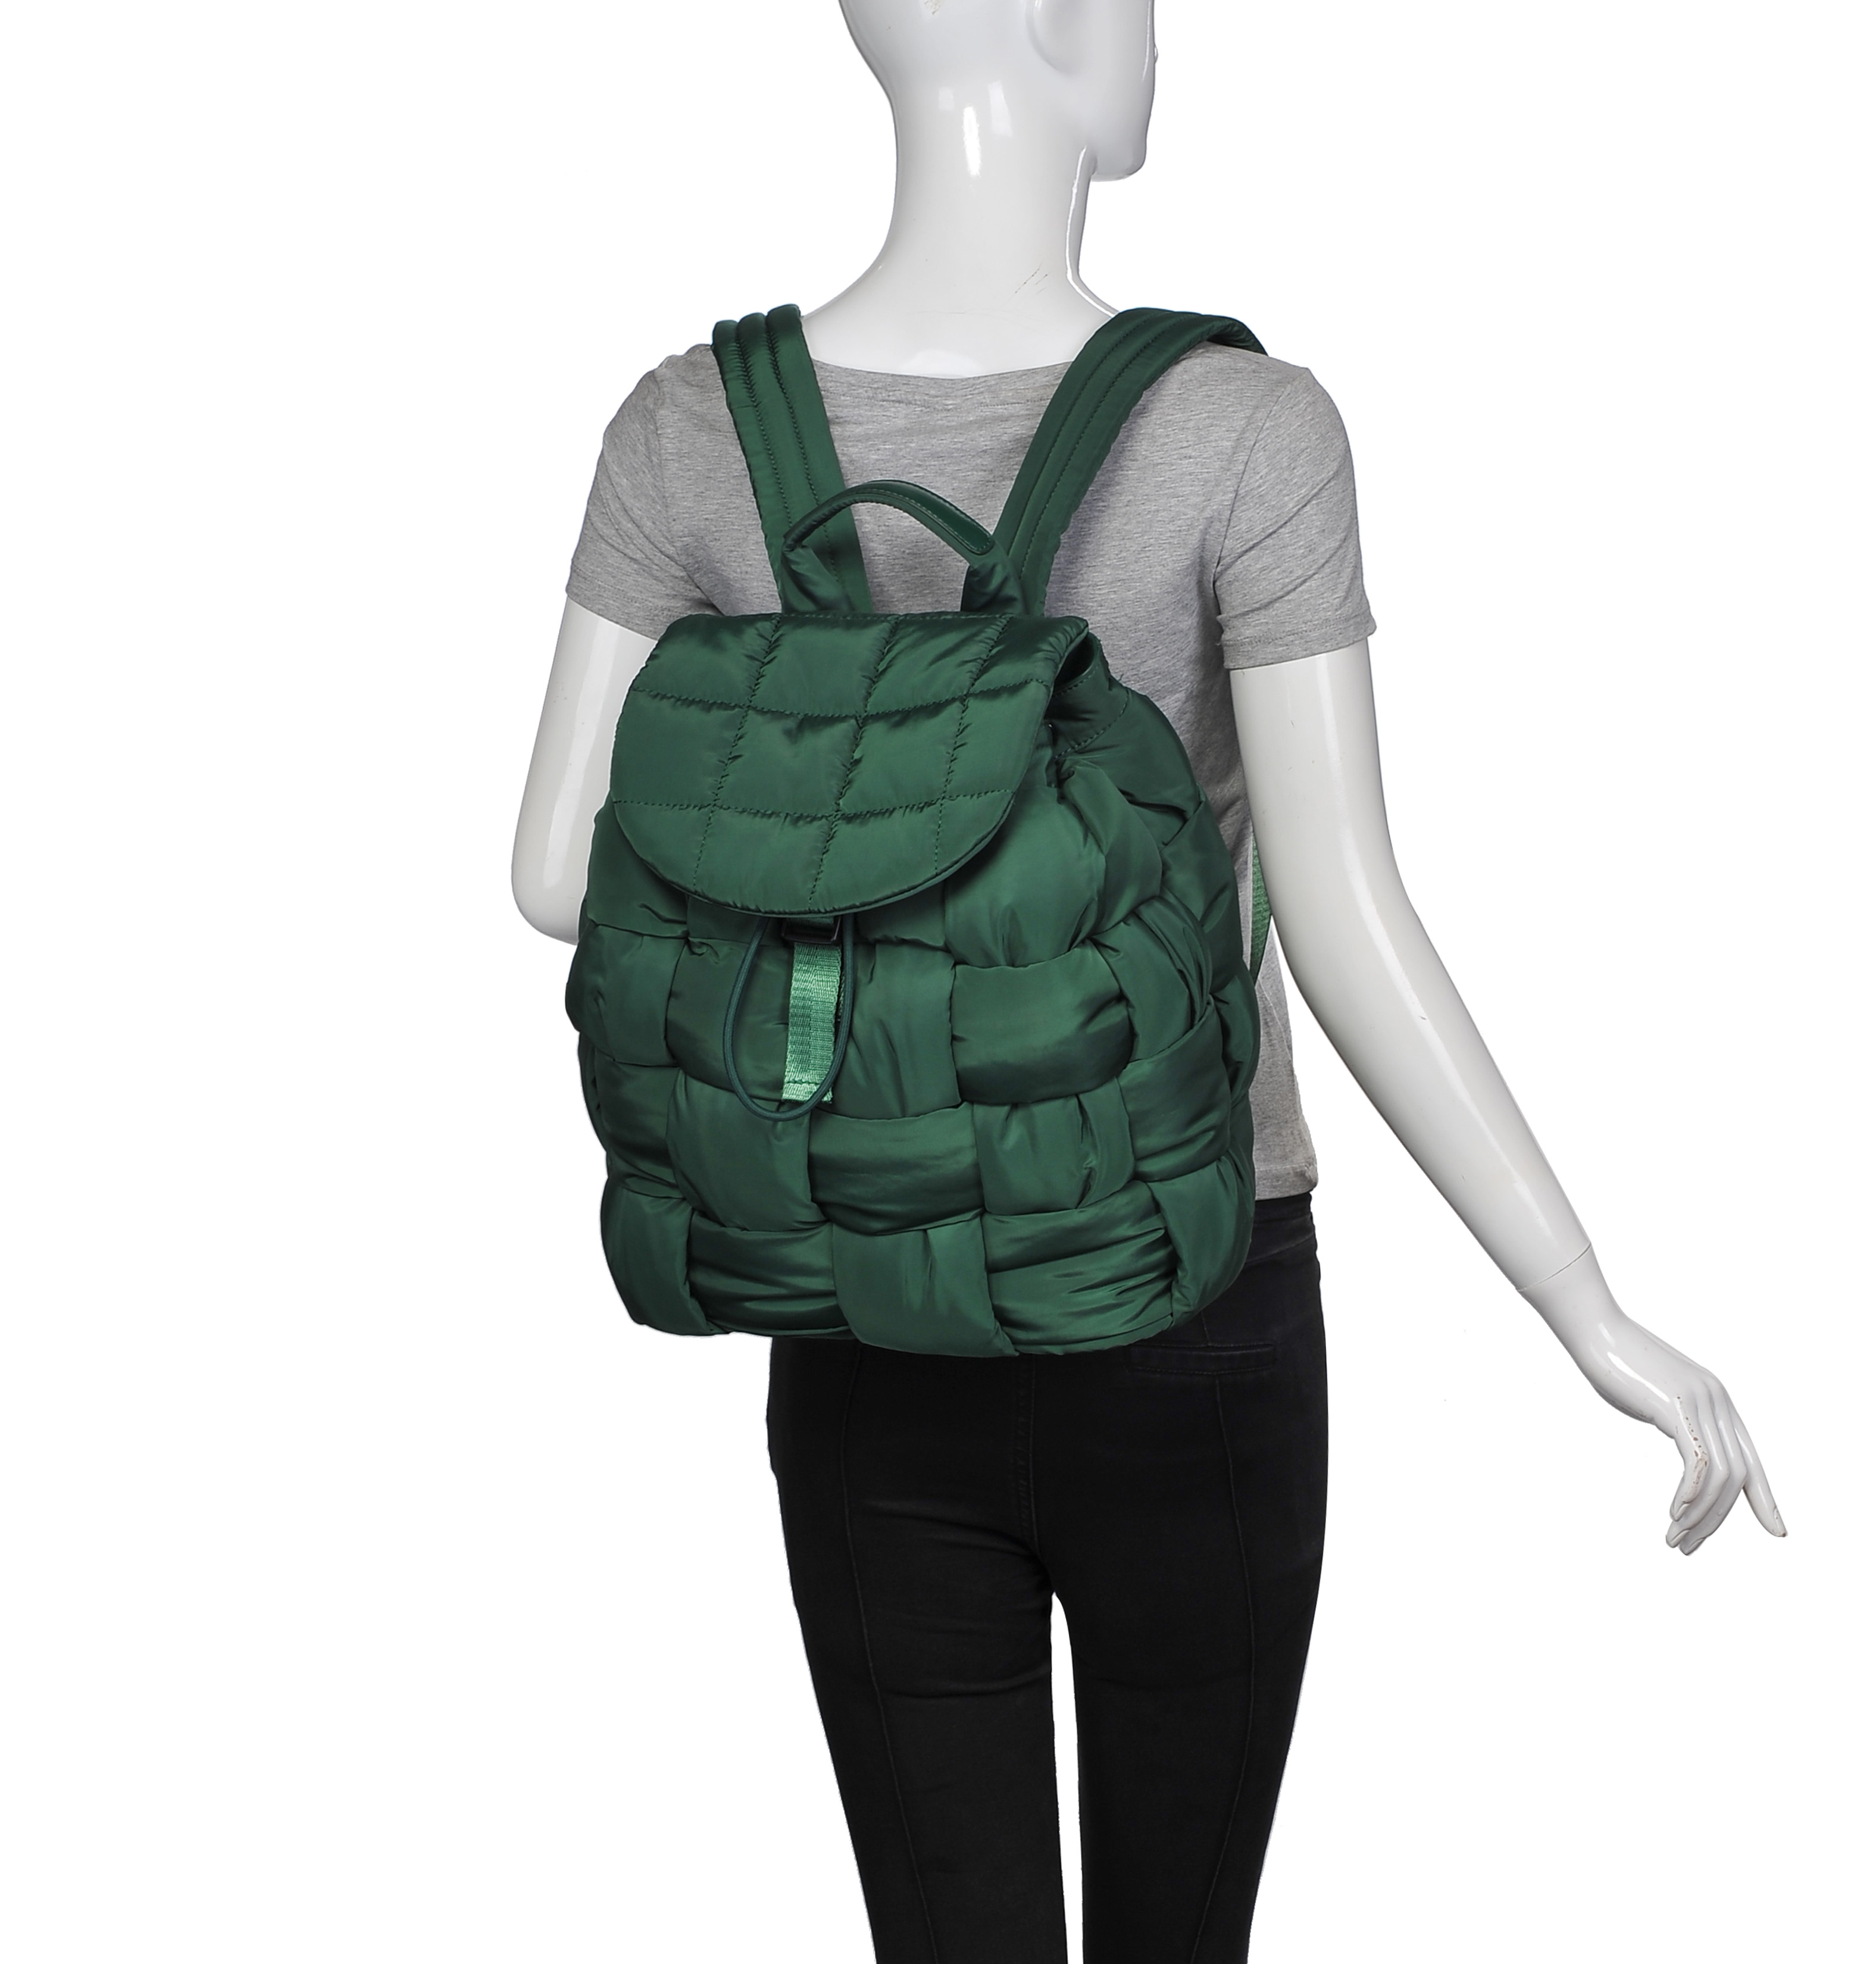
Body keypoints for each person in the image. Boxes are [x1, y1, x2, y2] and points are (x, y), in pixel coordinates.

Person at [511, 5, 1783, 1959]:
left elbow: (549, 876)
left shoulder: (686, 427)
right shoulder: (1242, 426)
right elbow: (1345, 916)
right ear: (1055, 21)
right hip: (1195, 1301)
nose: (1160, 41)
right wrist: (1581, 1299)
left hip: (859, 1304)